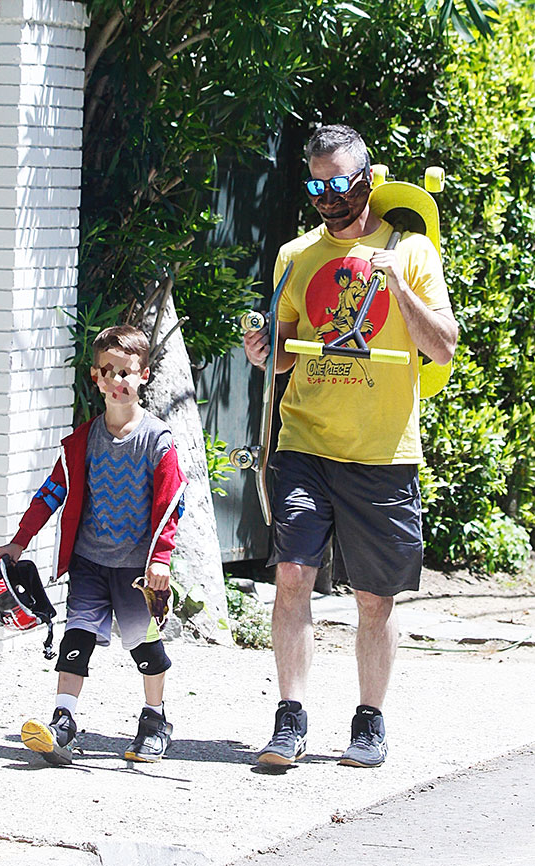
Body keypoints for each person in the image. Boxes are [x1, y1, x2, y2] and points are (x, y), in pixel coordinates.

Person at [244, 124, 458, 768]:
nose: (328, 196)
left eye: (340, 182)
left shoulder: (412, 251)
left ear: (368, 177)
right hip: (306, 441)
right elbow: (282, 354)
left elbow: (442, 346)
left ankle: (370, 721)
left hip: (383, 451)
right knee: (291, 577)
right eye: (316, 184)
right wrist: (263, 354)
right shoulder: (295, 254)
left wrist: (397, 286)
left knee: (374, 597)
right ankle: (290, 718)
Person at [0, 325, 187, 766]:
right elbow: (50, 494)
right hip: (90, 562)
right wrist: (19, 543)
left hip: (138, 570)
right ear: (95, 377)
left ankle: (155, 720)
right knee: (77, 638)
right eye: (108, 372)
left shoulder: (158, 441)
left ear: (145, 375)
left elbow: (173, 504)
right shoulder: (81, 442)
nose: (118, 381)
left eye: (127, 372)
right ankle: (63, 723)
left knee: (145, 648)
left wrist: (161, 559)